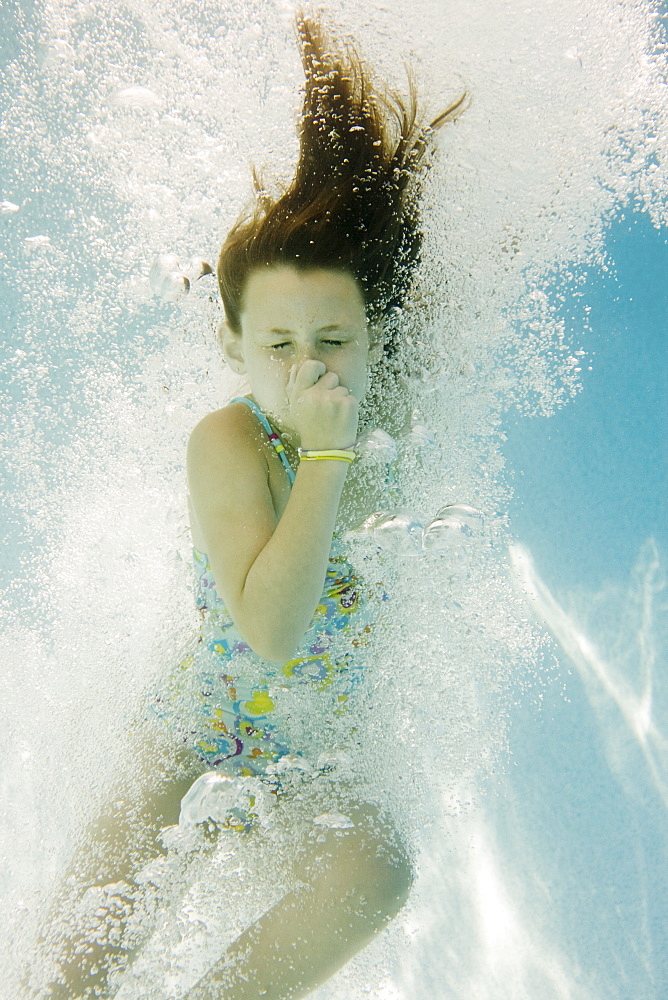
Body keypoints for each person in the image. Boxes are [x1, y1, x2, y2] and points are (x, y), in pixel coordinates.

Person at [34, 12, 464, 1000]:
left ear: (371, 334)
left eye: (334, 340)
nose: (308, 367)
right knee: (69, 977)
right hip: (199, 732)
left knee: (381, 866)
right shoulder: (230, 440)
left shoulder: (389, 407)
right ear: (232, 345)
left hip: (315, 751)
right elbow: (269, 627)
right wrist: (324, 456)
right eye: (277, 345)